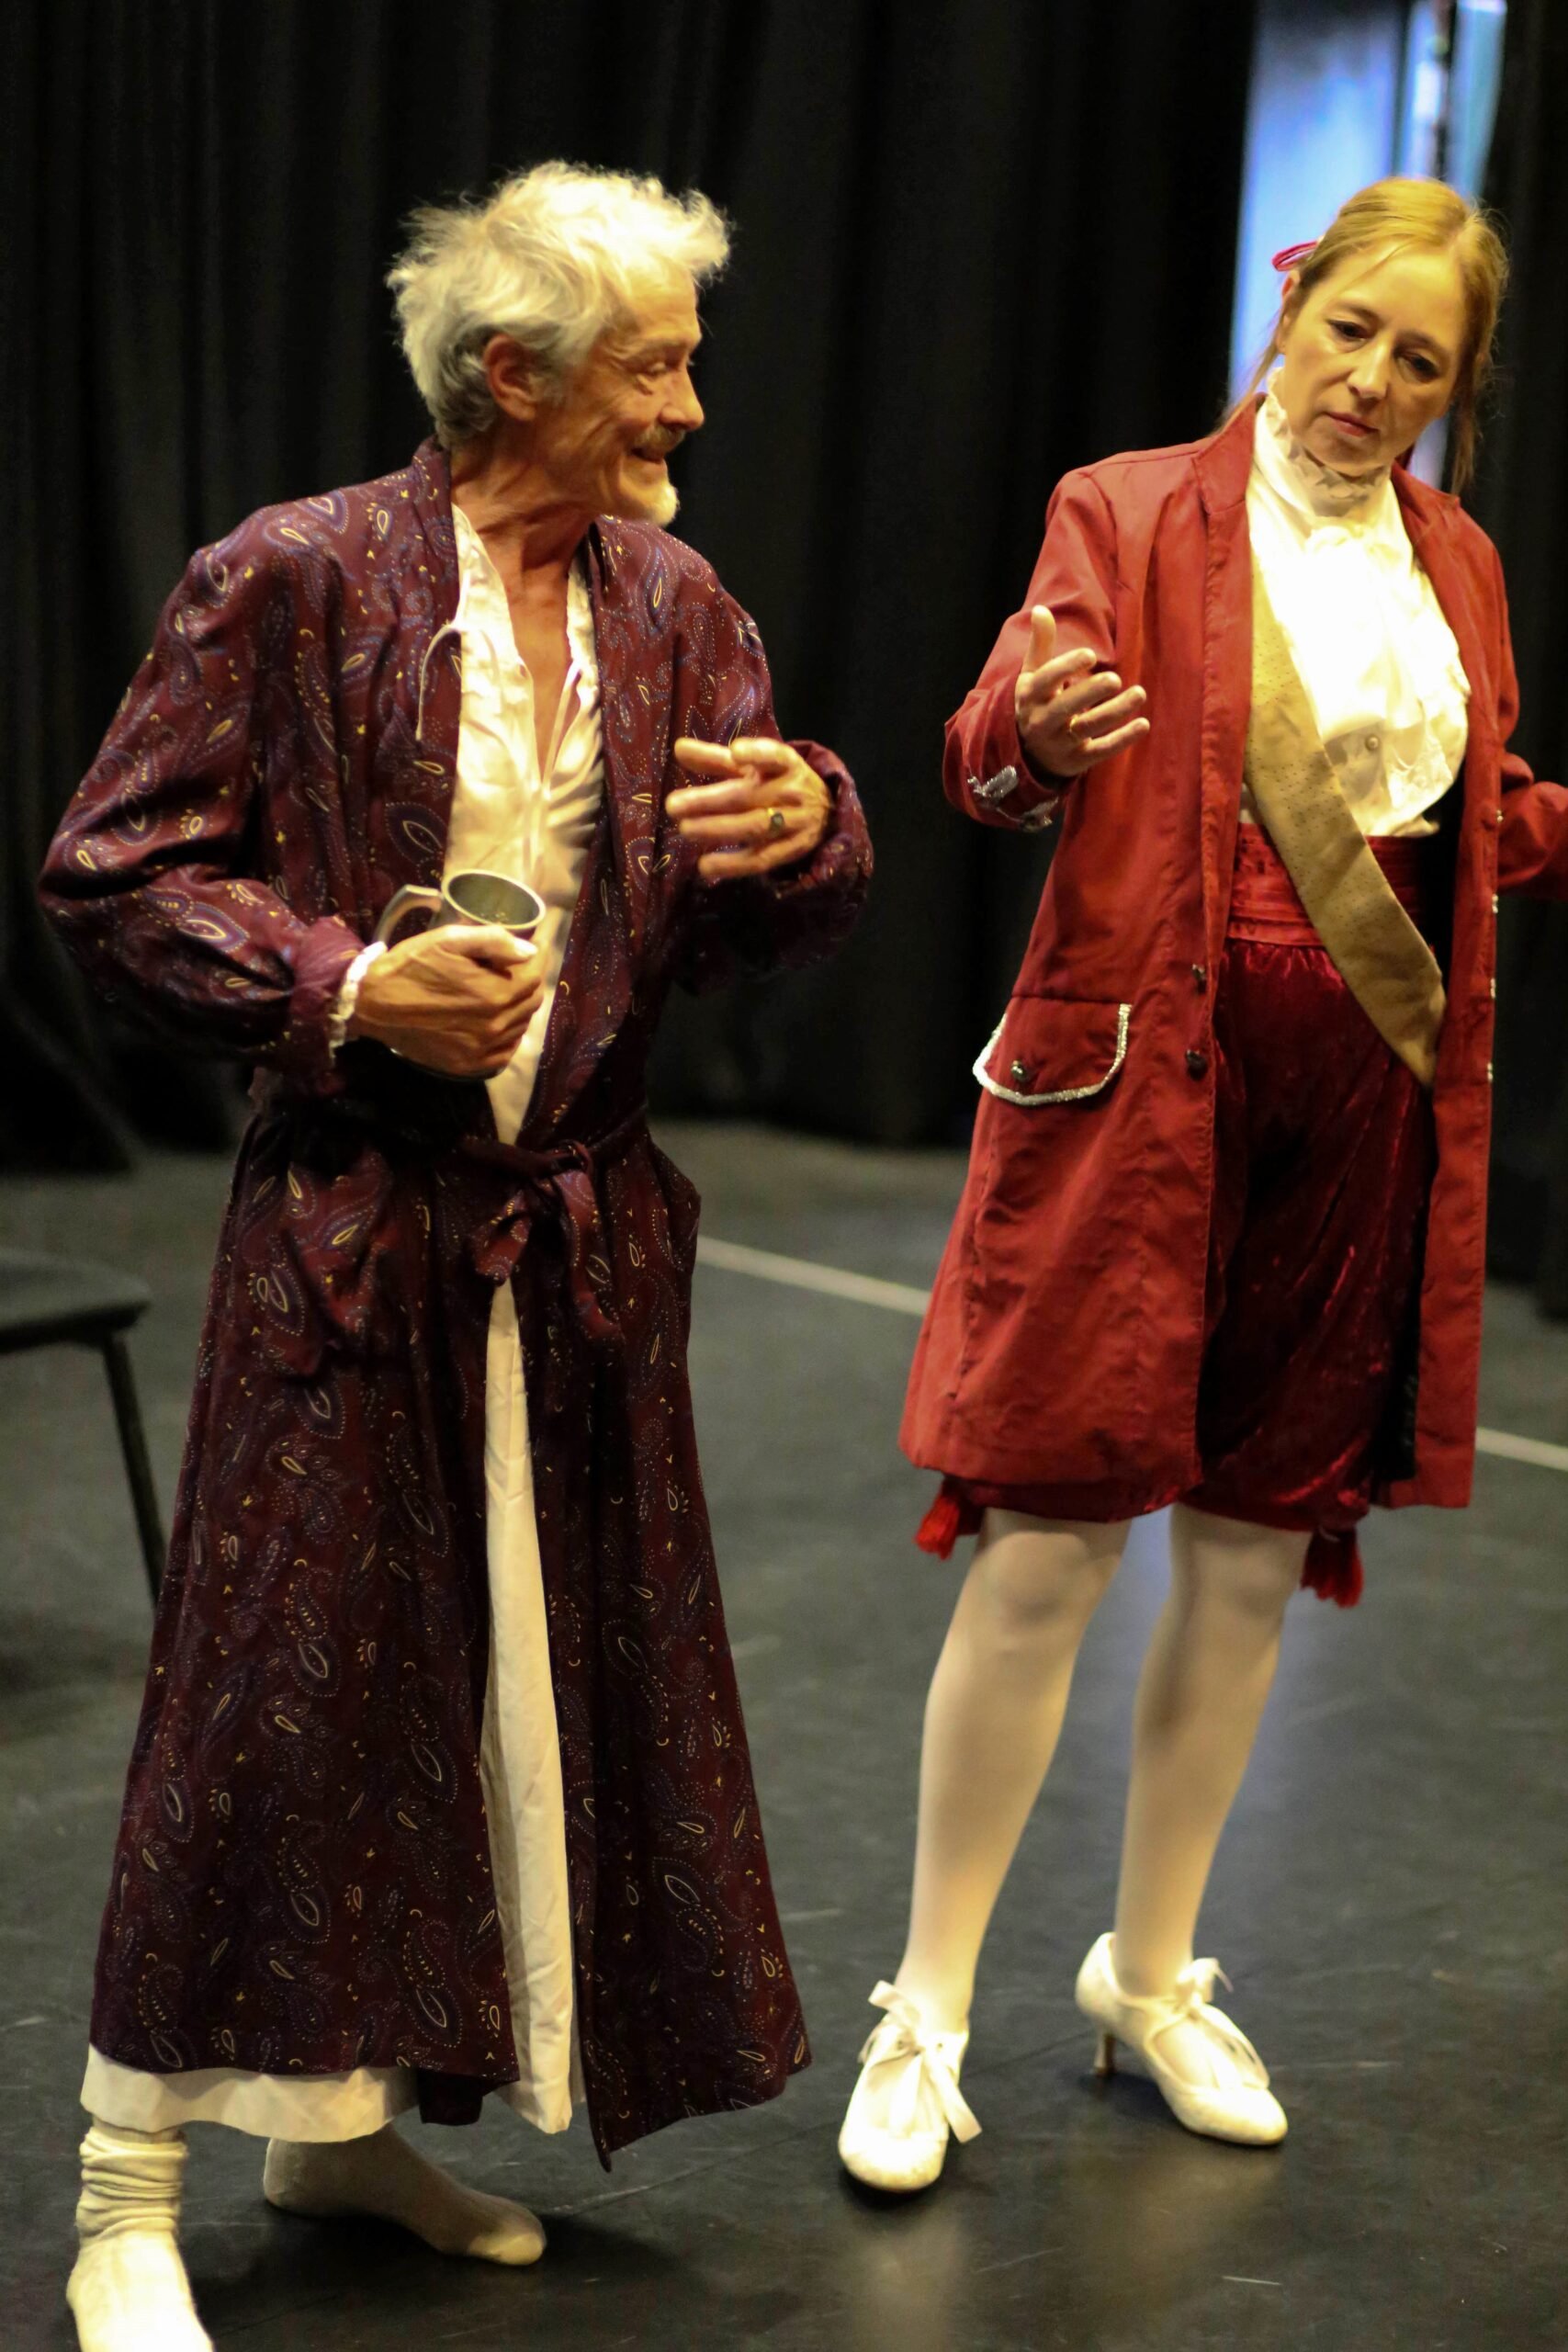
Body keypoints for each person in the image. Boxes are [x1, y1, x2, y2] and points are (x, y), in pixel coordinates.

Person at [40, 162, 870, 2349]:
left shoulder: (674, 603)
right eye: (652, 363)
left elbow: (751, 898)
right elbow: (110, 868)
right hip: (347, 1234)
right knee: (262, 1703)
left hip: (570, 1244)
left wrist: (813, 824)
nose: (689, 405)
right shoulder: (295, 575)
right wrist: (330, 986)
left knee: (476, 1687)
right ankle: (123, 2186)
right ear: (512, 372)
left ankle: (339, 2131)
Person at [839, 175, 1567, 2194]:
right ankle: (922, 2004)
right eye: (1351, 329)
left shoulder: (1461, 562)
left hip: (1363, 1113)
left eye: (1418, 361)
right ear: (1291, 299)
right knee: (1050, 1542)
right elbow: (991, 745)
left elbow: (1454, 811)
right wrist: (1033, 732)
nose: (1370, 381)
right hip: (1134, 1096)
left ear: (1453, 390)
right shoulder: (1128, 504)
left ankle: (1146, 1971)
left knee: (1246, 1554)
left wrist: (1540, 826)